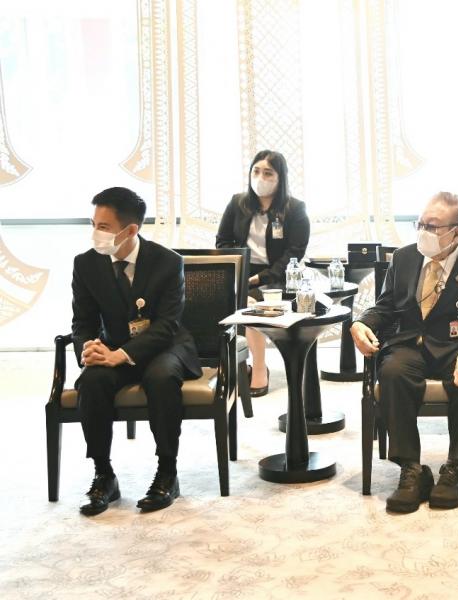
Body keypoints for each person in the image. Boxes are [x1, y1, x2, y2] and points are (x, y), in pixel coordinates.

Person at [350, 192, 458, 513]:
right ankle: (411, 470)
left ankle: (455, 468)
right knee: (392, 372)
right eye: (420, 224)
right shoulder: (404, 258)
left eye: (432, 227)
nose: (423, 232)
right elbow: (386, 306)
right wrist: (362, 322)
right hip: (412, 343)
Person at [73, 187, 202, 516]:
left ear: (130, 230)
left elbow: (167, 325)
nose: (96, 233)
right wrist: (89, 347)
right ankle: (104, 474)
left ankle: (167, 472)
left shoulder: (168, 262)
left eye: (104, 227)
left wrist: (123, 355)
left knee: (161, 377)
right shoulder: (86, 264)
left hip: (165, 346)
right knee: (91, 381)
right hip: (113, 345)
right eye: (93, 224)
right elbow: (82, 322)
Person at [216, 150, 310, 396]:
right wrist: (240, 272)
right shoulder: (237, 203)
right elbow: (222, 241)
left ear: (280, 178)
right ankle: (234, 363)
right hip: (242, 271)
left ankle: (259, 368)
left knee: (251, 305)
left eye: (268, 173)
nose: (260, 178)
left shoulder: (295, 208)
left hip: (277, 275)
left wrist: (260, 277)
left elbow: (295, 252)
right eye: (256, 171)